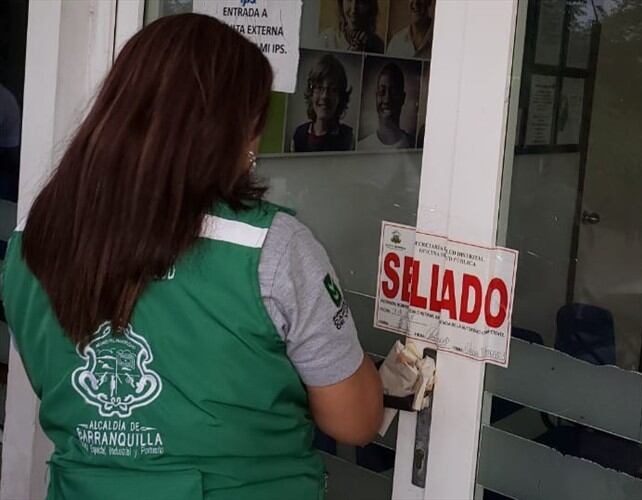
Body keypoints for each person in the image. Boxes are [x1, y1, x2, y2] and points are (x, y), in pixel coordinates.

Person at [1, 14, 382, 500]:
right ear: (233, 129)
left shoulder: (35, 240)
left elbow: (54, 380)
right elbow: (354, 421)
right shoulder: (271, 247)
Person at [292, 54, 356, 152]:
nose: (324, 96)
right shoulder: (299, 134)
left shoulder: (348, 138)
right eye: (319, 88)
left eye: (332, 89)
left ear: (340, 97)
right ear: (311, 93)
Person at [358, 63, 415, 150]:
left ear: (403, 98)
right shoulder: (361, 147)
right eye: (382, 91)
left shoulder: (413, 144)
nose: (387, 99)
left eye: (394, 92)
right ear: (376, 96)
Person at [320, 0, 384, 53]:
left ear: (370, 7)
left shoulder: (378, 46)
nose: (353, 10)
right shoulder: (327, 40)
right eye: (349, 0)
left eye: (361, 2)